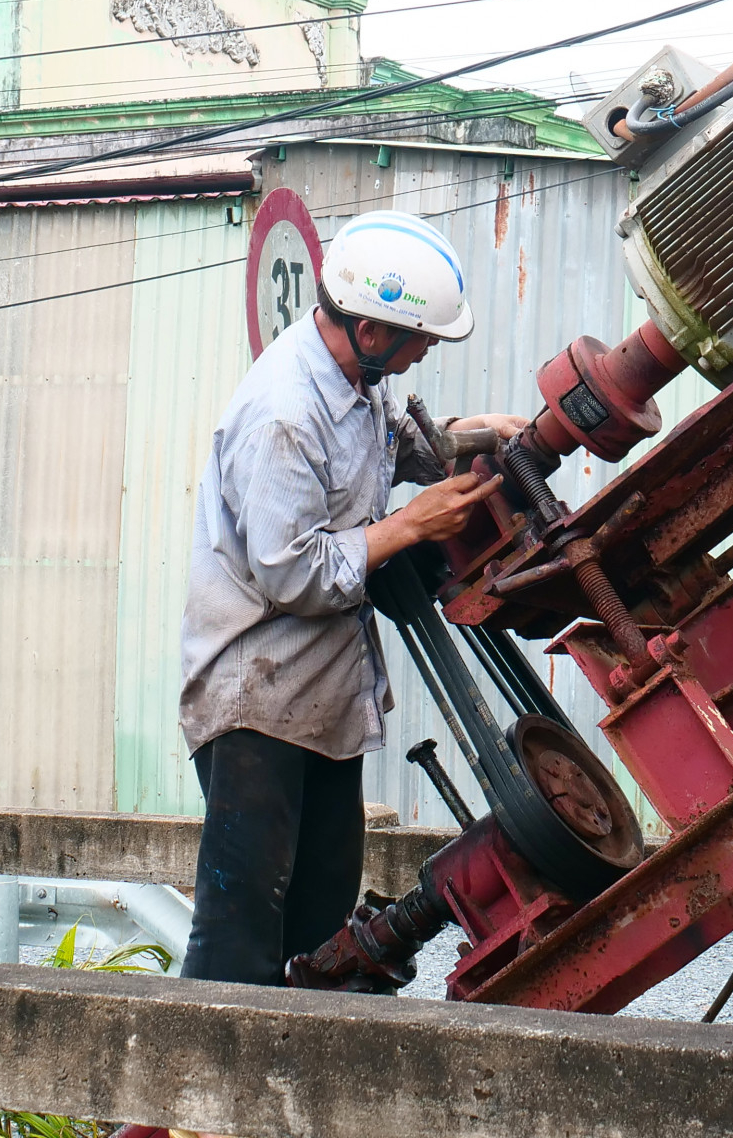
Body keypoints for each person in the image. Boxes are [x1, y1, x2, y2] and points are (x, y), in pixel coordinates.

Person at [176, 209, 523, 985]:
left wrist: (468, 439)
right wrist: (406, 527)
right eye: (420, 338)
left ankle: (292, 1092)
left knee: (316, 930)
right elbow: (291, 573)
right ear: (369, 332)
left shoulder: (359, 382)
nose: (427, 350)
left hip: (320, 700)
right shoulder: (283, 415)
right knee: (240, 939)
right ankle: (206, 1097)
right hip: (255, 701)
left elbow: (387, 448)